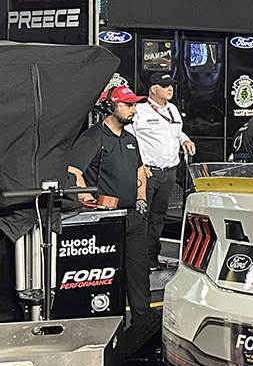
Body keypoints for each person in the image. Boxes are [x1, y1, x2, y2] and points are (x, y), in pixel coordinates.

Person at [66, 85, 151, 325]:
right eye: (127, 105)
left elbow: (140, 170)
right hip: (106, 221)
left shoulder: (131, 139)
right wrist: (90, 204)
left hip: (132, 217)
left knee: (139, 275)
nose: (133, 110)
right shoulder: (92, 138)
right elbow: (73, 173)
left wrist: (142, 198)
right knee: (104, 276)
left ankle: (143, 326)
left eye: (134, 105)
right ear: (109, 107)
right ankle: (104, 324)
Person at [130, 71, 194, 270]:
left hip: (169, 171)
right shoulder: (139, 110)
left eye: (171, 85)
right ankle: (136, 259)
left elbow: (177, 131)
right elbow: (129, 139)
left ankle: (151, 258)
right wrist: (139, 166)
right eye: (165, 86)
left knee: (159, 217)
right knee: (142, 217)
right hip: (149, 172)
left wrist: (185, 139)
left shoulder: (173, 109)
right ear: (153, 89)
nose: (170, 89)